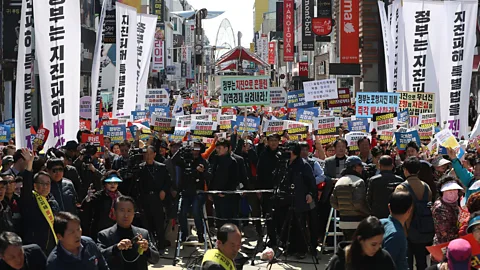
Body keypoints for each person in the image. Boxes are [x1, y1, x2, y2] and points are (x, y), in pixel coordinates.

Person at [275, 141, 317, 259]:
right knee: (287, 224)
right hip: (286, 199)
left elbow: (311, 182)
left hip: (299, 199)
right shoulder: (285, 164)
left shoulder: (304, 165)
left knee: (300, 225)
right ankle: (289, 248)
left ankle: (301, 250)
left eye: (290, 150)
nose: (288, 152)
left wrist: (310, 194)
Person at [97, 196, 160, 270]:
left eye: (129, 211)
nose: (126, 215)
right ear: (114, 212)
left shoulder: (143, 233)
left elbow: (155, 259)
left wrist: (147, 250)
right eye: (122, 210)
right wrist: (116, 248)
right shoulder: (104, 235)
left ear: (134, 213)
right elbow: (98, 258)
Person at [395, 156, 433, 270]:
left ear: (405, 170)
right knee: (422, 262)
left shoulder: (401, 188)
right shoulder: (426, 187)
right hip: (424, 231)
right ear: (418, 170)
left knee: (407, 263)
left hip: (406, 230)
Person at [19, 149, 60, 255]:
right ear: (35, 185)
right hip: (36, 248)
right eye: (42, 183)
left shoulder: (53, 202)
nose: (45, 186)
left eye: (48, 183)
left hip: (53, 246)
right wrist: (29, 164)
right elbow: (26, 187)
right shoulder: (31, 199)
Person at [171, 141, 211, 243]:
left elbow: (209, 176)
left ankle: (200, 234)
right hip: (186, 192)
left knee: (196, 210)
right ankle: (184, 234)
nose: (195, 151)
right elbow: (173, 160)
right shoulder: (185, 159)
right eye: (194, 148)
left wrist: (202, 172)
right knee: (182, 212)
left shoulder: (203, 161)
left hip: (198, 192)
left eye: (197, 148)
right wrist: (181, 149)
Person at [325, 216, 396, 270]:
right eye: (373, 244)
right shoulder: (341, 261)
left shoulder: (384, 259)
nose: (377, 248)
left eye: (380, 244)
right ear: (360, 239)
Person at [137, 145, 171, 251]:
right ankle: (149, 247)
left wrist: (164, 191)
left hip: (157, 198)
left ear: (154, 154)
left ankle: (161, 245)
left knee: (159, 223)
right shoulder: (140, 167)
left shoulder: (161, 167)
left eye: (150, 153)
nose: (148, 156)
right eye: (146, 153)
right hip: (145, 198)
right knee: (147, 224)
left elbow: (168, 181)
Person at [331, 156, 370, 241]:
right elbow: (358, 204)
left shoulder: (339, 181)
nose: (362, 169)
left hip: (343, 221)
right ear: (354, 167)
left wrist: (343, 208)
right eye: (360, 166)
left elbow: (333, 202)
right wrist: (369, 213)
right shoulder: (359, 181)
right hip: (357, 221)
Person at [255, 133, 283, 246]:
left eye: (276, 140)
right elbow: (259, 172)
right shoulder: (263, 153)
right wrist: (259, 189)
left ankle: (281, 238)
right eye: (271, 140)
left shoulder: (282, 154)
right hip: (266, 189)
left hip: (280, 190)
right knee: (269, 215)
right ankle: (272, 239)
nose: (273, 142)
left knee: (280, 215)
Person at [81, 171, 123, 240]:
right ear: (105, 184)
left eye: (115, 182)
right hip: (100, 230)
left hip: (115, 230)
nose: (113, 185)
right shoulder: (98, 196)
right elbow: (86, 208)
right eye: (109, 182)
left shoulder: (120, 197)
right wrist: (87, 199)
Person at [208, 138, 240, 228]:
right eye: (216, 148)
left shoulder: (232, 162)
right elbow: (212, 176)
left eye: (219, 148)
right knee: (219, 219)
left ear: (226, 148)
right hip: (216, 195)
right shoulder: (215, 160)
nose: (217, 150)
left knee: (229, 220)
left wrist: (226, 192)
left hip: (228, 196)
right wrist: (211, 191)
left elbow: (234, 179)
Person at [380, 192, 412, 270]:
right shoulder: (396, 235)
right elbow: (386, 263)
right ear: (409, 210)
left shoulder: (380, 223)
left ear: (389, 207)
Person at [432, 176, 464, 245]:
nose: (452, 193)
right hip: (445, 244)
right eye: (448, 190)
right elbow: (444, 232)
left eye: (455, 189)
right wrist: (462, 230)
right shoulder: (439, 208)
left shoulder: (456, 202)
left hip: (457, 241)